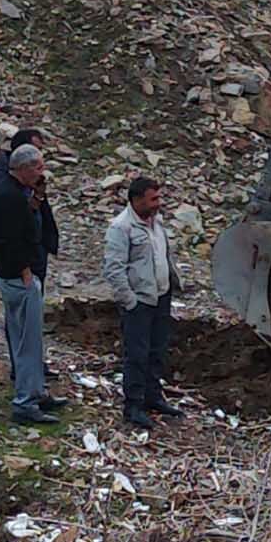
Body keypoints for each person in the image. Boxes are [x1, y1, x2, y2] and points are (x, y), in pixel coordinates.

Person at [0, 144, 67, 425]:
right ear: (26, 169)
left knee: (24, 337)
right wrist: (25, 270)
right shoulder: (10, 199)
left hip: (11, 274)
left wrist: (37, 197)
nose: (43, 173)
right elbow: (10, 237)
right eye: (39, 167)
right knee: (28, 342)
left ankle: (36, 391)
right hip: (19, 276)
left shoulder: (3, 186)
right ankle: (26, 402)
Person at [103, 177, 183, 430]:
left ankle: (153, 396)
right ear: (136, 200)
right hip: (140, 301)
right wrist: (130, 301)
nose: (159, 203)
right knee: (136, 355)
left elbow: (163, 255)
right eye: (153, 199)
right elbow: (114, 269)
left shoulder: (155, 222)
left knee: (157, 351)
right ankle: (133, 405)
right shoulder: (121, 228)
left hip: (160, 296)